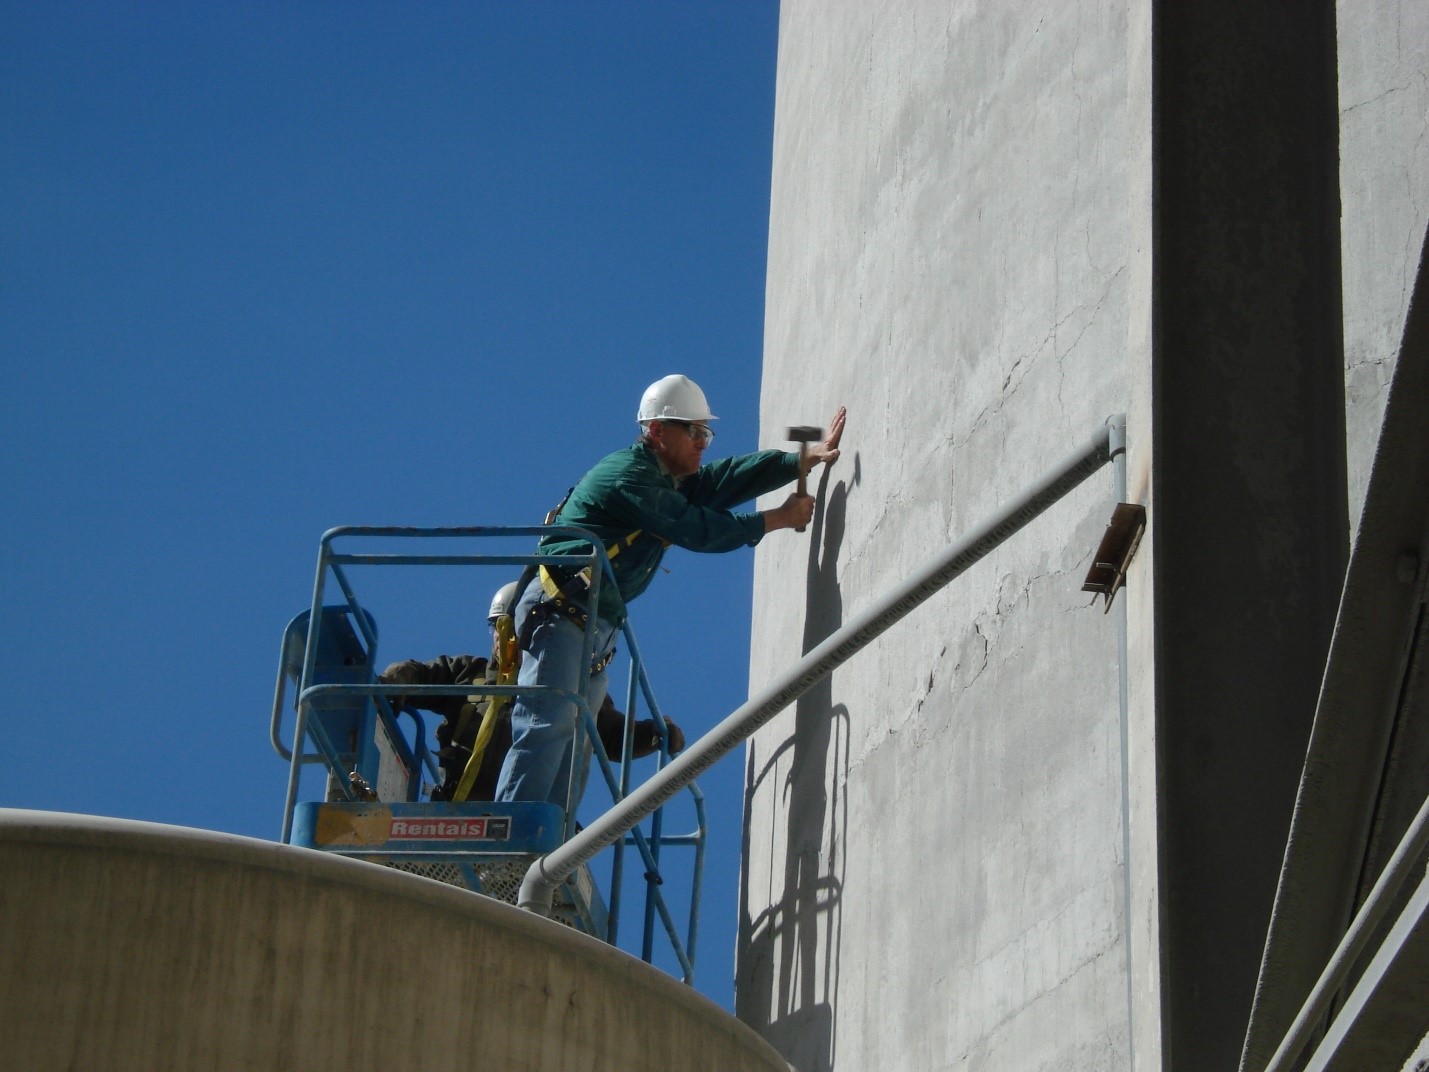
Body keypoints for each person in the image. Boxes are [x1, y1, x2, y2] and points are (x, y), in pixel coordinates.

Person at [495, 374, 845, 807]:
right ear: (657, 431)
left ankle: (545, 850)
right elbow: (693, 526)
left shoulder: (666, 477)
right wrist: (775, 519)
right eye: (693, 431)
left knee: (575, 747)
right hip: (561, 612)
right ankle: (506, 842)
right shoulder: (633, 476)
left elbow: (719, 481)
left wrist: (797, 462)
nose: (703, 442)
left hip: (591, 627)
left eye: (706, 432)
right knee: (547, 725)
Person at [380, 582, 684, 802]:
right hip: (456, 816)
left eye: (510, 628)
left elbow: (612, 734)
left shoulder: (569, 689)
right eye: (495, 628)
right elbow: (422, 675)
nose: (501, 638)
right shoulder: (469, 673)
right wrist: (397, 679)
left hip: (527, 821)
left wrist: (652, 735)